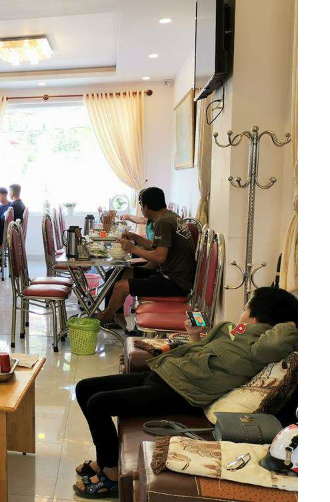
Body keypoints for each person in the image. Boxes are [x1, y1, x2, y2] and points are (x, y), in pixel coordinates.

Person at [72, 287, 299, 498]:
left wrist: (290, 322)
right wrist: (194, 335)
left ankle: (111, 474)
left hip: (179, 392)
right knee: (84, 388)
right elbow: (206, 354)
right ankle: (105, 460)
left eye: (245, 308)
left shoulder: (260, 345)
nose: (241, 312)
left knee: (98, 403)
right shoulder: (234, 332)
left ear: (256, 318)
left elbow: (275, 343)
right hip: (165, 374)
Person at [95, 187, 196, 325]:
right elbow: (157, 246)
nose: (141, 209)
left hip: (175, 282)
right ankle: (117, 317)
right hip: (174, 276)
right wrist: (135, 237)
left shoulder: (163, 222)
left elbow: (160, 256)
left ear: (146, 207)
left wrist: (133, 248)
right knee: (124, 272)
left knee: (120, 286)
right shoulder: (172, 216)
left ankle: (107, 316)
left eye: (141, 205)